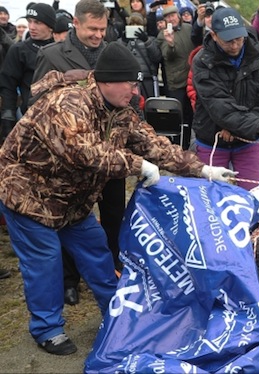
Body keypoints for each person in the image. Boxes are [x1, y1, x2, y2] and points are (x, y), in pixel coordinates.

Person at [0, 42, 234, 356]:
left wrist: (203, 169)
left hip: (73, 202)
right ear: (107, 81)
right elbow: (83, 151)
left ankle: (116, 309)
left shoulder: (121, 111)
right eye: (130, 82)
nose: (134, 89)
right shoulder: (67, 103)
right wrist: (138, 165)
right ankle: (48, 328)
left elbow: (153, 144)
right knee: (45, 263)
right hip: (29, 196)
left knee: (98, 250)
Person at [32, 0, 116, 307]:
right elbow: (37, 101)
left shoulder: (112, 50)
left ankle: (113, 274)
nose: (98, 35)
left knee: (113, 217)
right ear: (75, 25)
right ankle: (70, 281)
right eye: (92, 29)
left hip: (109, 152)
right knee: (70, 219)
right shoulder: (51, 55)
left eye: (103, 29)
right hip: (71, 159)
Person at [192, 7, 259, 190]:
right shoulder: (202, 61)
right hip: (213, 139)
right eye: (228, 41)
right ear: (214, 36)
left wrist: (250, 126)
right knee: (211, 198)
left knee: (253, 194)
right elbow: (220, 106)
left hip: (248, 141)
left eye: (238, 38)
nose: (235, 45)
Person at [0, 3, 56, 143]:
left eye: (37, 22)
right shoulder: (19, 50)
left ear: (50, 26)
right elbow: (8, 86)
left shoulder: (62, 50)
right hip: (27, 118)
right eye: (29, 21)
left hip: (59, 120)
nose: (31, 27)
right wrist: (8, 117)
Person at [156, 5, 195, 129]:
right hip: (176, 83)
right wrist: (171, 43)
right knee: (177, 118)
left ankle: (189, 144)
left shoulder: (188, 28)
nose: (171, 19)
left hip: (191, 80)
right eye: (168, 17)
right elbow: (168, 56)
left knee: (191, 116)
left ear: (178, 16)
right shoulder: (162, 35)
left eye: (172, 15)